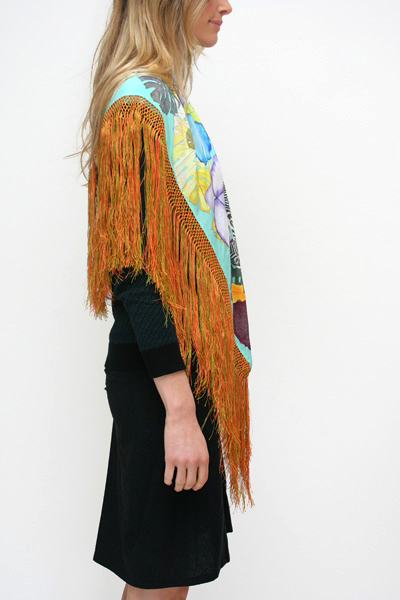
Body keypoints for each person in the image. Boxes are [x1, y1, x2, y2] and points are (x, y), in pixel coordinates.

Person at [77, 1, 253, 599]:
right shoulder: (136, 109)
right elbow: (134, 272)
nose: (225, 5)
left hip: (177, 371)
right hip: (163, 381)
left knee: (163, 578)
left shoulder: (162, 100)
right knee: (161, 581)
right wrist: (178, 413)